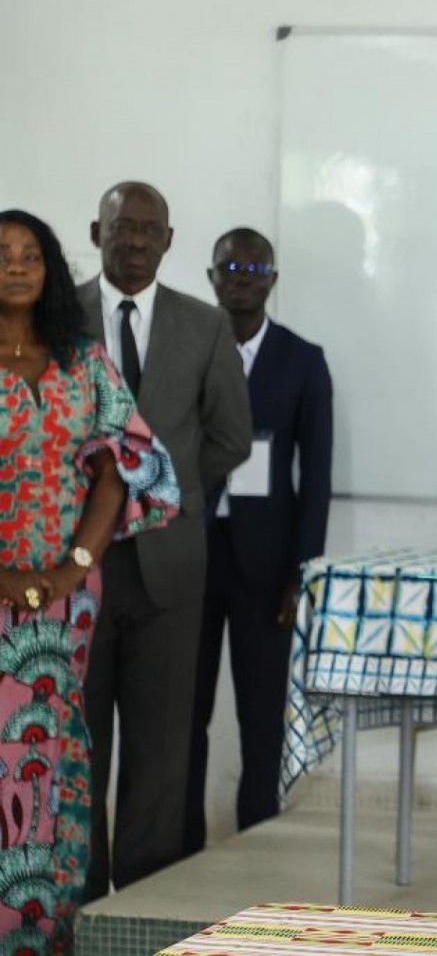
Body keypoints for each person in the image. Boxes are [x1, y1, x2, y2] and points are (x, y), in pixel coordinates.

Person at [0, 210, 180, 949]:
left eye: (30, 254)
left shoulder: (83, 362)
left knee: (54, 759)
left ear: (49, 268)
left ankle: (47, 929)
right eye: (1, 254)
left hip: (65, 604)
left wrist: (71, 564)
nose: (15, 265)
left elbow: (126, 462)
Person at [76, 182, 253, 897]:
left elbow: (230, 436)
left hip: (170, 568)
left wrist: (157, 499)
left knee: (161, 752)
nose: (136, 241)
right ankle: (80, 904)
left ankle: (142, 906)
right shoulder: (59, 317)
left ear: (170, 240)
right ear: (97, 231)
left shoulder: (204, 325)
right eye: (123, 227)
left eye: (150, 230)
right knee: (78, 751)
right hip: (74, 570)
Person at [184, 229, 334, 854]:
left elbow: (316, 476)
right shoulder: (185, 349)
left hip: (268, 568)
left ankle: (254, 841)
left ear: (272, 278)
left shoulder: (304, 360)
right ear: (211, 275)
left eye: (255, 266)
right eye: (229, 266)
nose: (242, 276)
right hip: (189, 555)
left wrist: (301, 573)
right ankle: (181, 842)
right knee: (183, 714)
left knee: (260, 713)